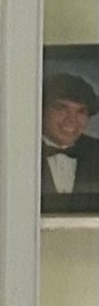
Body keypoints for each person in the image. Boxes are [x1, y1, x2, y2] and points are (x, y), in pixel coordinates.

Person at [41, 72, 99, 212]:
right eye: (61, 108)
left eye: (81, 112)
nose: (71, 120)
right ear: (41, 110)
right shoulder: (19, 149)